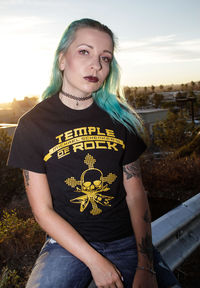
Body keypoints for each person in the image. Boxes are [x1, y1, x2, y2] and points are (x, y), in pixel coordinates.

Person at [8, 18, 181, 288]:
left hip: (125, 241)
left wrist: (145, 264)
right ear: (62, 60)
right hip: (66, 244)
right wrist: (96, 261)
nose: (97, 65)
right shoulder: (32, 125)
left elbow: (135, 194)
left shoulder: (122, 120)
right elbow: (42, 210)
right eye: (84, 51)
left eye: (106, 57)